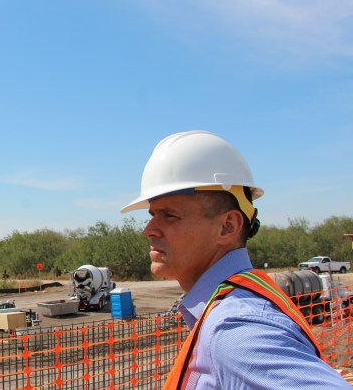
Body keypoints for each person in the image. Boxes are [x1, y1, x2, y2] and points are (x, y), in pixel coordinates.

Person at [121, 130, 348, 389]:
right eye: (152, 214)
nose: (148, 229)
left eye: (169, 215)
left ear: (228, 226)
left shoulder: (235, 330)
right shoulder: (230, 308)